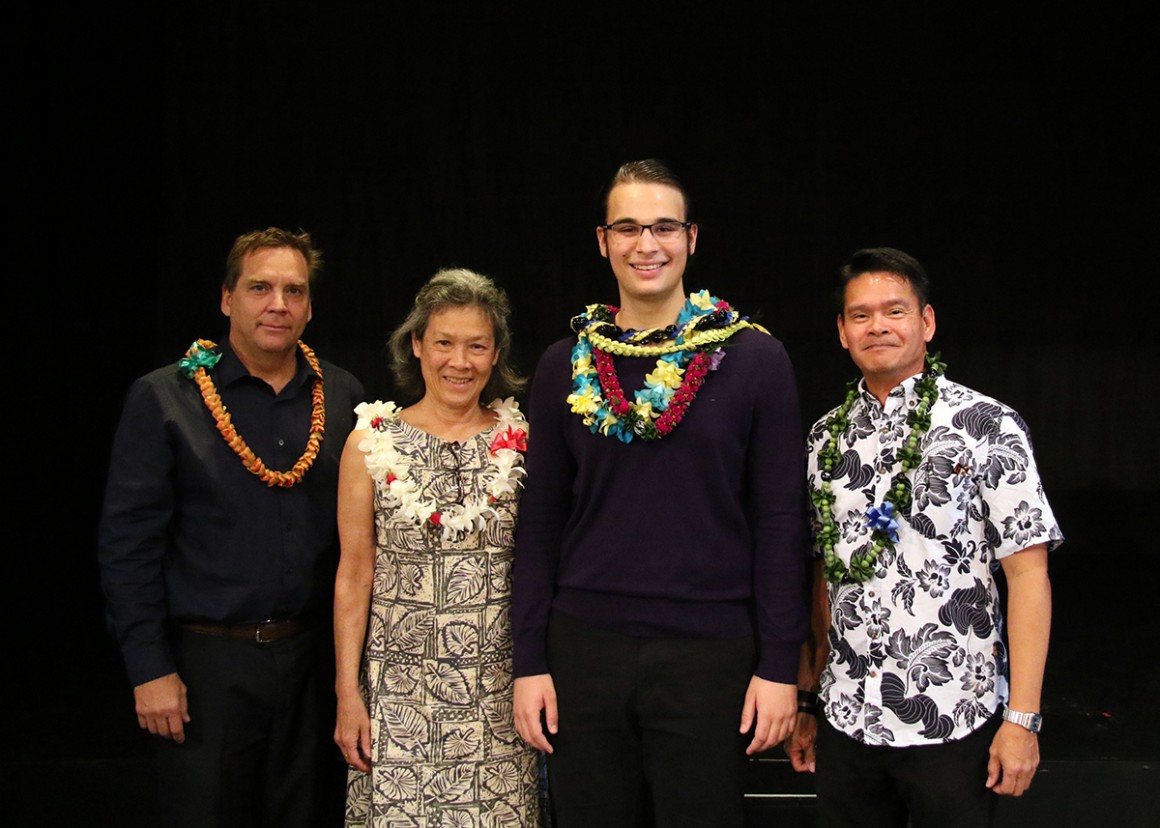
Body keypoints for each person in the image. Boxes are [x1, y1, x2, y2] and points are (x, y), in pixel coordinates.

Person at [510, 159, 809, 827]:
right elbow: (540, 524)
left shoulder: (755, 359)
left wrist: (780, 666)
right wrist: (528, 662)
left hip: (711, 654)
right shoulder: (567, 361)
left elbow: (782, 523)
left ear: (693, 238)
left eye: (665, 226)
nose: (647, 245)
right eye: (628, 227)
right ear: (602, 241)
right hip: (584, 651)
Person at [98, 227, 365, 827]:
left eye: (294, 291)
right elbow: (127, 547)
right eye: (260, 288)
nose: (279, 304)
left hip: (309, 667)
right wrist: (149, 668)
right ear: (227, 299)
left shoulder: (342, 395)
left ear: (310, 306)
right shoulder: (165, 398)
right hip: (204, 670)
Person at [786, 247, 1062, 827]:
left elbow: (1028, 574)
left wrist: (1023, 719)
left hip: (954, 715)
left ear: (927, 322)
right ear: (841, 331)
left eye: (894, 311)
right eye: (860, 315)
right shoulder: (822, 441)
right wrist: (809, 696)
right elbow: (823, 571)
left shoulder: (986, 425)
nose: (878, 326)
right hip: (846, 716)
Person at [333, 268, 544, 827]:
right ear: (417, 345)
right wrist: (347, 695)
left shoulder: (522, 442)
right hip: (397, 700)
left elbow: (542, 565)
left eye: (477, 345)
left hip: (497, 699)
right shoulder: (369, 444)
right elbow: (353, 577)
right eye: (444, 343)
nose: (460, 361)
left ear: (496, 352)